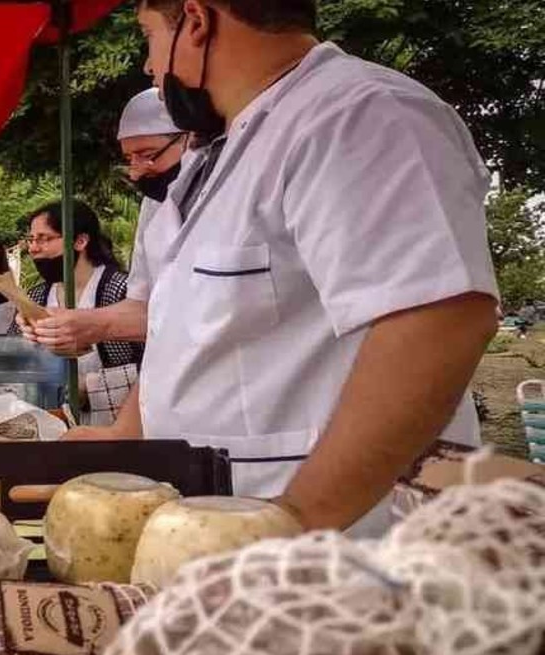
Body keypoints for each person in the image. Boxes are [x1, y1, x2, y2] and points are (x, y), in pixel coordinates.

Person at [69, 0, 499, 537]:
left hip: (341, 544)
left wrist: (296, 520)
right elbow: (186, 333)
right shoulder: (214, 157)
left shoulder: (361, 115)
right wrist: (125, 433)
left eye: (149, 36)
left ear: (197, 22)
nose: (150, 68)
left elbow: (438, 324)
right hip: (222, 527)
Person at [20, 88, 187, 353]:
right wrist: (71, 325)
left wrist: (93, 325)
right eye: (129, 159)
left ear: (189, 140)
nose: (135, 173)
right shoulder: (153, 206)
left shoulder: (112, 286)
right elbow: (143, 307)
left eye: (148, 154)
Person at [11, 201, 142, 424]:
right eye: (31, 240)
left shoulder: (121, 290)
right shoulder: (37, 296)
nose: (33, 248)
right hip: (54, 420)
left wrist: (89, 386)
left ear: (80, 241)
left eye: (44, 238)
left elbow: (155, 360)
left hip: (121, 423)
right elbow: (18, 359)